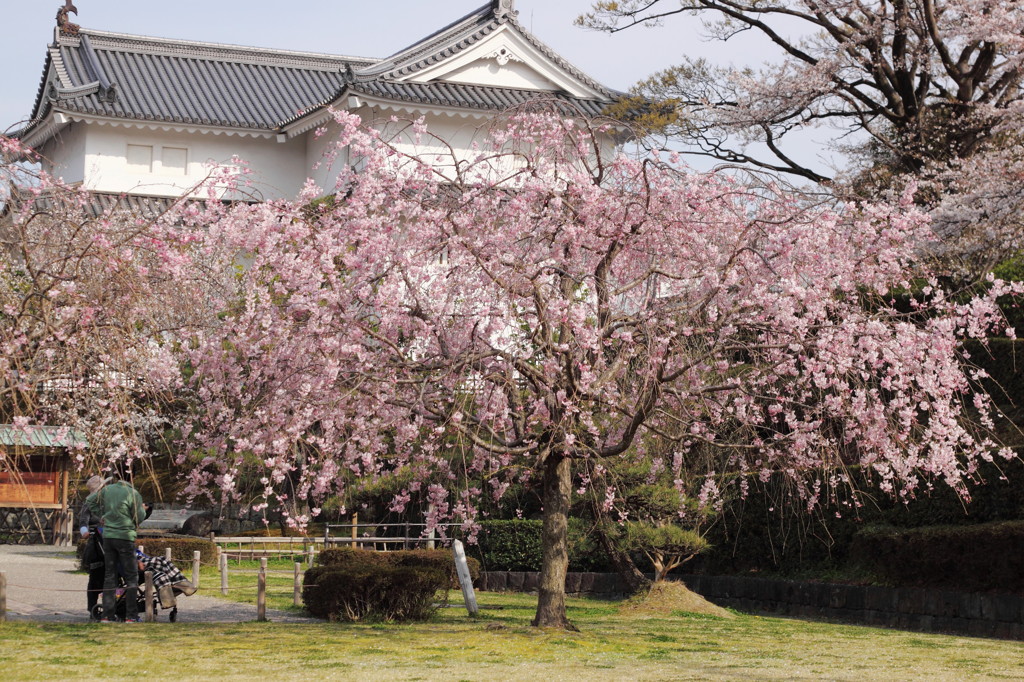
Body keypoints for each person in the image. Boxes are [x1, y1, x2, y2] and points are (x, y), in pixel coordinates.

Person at [87, 468, 146, 623]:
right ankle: (131, 616)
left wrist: (102, 516)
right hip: (125, 536)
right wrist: (144, 510)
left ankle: (107, 615)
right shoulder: (133, 493)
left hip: (108, 536)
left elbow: (90, 501)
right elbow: (138, 517)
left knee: (109, 576)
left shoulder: (108, 490)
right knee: (131, 576)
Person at [79, 475, 109, 619]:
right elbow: (83, 522)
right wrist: (85, 533)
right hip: (96, 543)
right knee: (95, 577)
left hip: (109, 538)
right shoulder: (89, 502)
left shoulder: (108, 500)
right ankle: (92, 608)